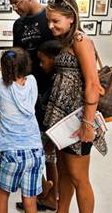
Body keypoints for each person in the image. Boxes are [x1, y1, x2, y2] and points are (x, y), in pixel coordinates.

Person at [44, 0, 107, 213]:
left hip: (77, 120)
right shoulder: (66, 42)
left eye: (55, 21)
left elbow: (92, 83)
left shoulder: (81, 41)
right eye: (49, 21)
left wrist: (87, 124)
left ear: (71, 18)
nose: (50, 26)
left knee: (79, 178)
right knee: (64, 171)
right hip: (63, 119)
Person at [0, 47, 45, 213]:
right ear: (26, 66)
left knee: (3, 193)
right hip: (35, 150)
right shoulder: (33, 81)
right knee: (29, 201)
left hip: (11, 150)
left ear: (3, 68)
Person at [9, 0, 54, 211]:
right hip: (26, 91)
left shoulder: (50, 18)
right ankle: (41, 188)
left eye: (17, 3)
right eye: (12, 5)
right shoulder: (19, 25)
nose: (15, 8)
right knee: (31, 141)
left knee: (49, 144)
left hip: (51, 90)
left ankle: (51, 194)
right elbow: (16, 55)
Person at [36, 40, 63, 210]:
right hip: (47, 129)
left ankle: (49, 193)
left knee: (42, 160)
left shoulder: (57, 81)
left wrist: (49, 140)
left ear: (53, 59)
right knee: (48, 161)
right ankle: (49, 194)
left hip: (49, 130)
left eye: (42, 61)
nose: (40, 65)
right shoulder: (53, 78)